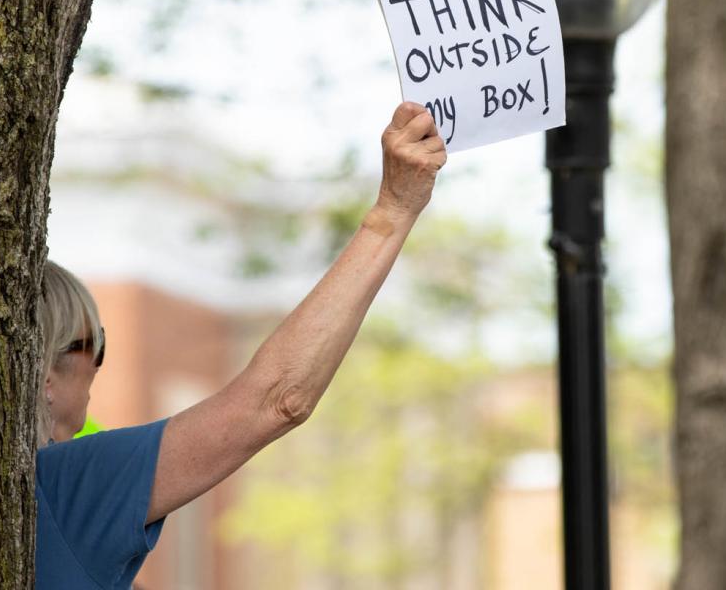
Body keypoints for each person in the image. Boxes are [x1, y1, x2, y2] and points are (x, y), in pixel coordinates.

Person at [34, 102, 446, 589]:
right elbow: (277, 399)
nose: (100, 366)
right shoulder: (68, 485)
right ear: (42, 375)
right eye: (92, 346)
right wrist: (393, 211)